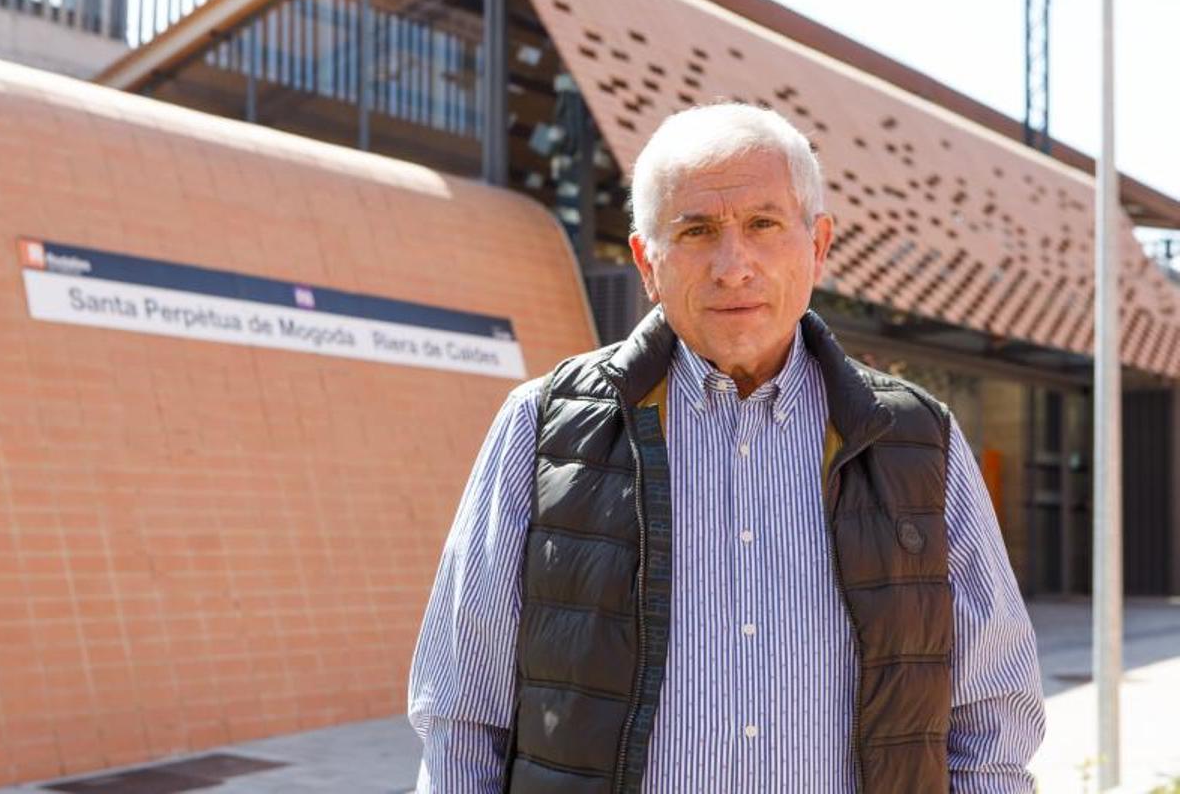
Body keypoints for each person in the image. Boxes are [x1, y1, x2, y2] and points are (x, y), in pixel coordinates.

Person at [408, 103, 1045, 793]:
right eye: (697, 230)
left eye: (763, 224)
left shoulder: (917, 440)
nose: (732, 265)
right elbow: (463, 714)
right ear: (646, 262)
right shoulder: (543, 426)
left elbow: (990, 719)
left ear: (818, 245)